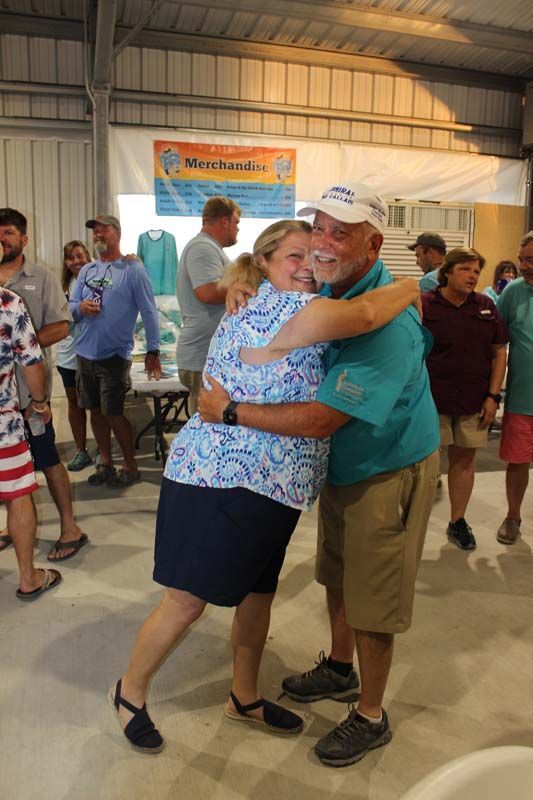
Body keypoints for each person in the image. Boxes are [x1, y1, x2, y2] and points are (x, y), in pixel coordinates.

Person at [108, 217, 420, 755]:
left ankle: (244, 695)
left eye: (312, 255)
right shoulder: (289, 309)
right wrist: (415, 285)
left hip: (272, 487)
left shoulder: (280, 300)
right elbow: (368, 313)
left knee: (258, 596)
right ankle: (129, 692)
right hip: (221, 479)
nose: (308, 265)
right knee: (186, 600)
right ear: (265, 262)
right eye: (294, 256)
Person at [199, 182, 440, 768]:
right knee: (336, 573)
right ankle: (339, 667)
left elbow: (320, 419)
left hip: (386, 469)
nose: (323, 245)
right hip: (342, 466)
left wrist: (229, 411)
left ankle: (371, 715)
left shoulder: (387, 325)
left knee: (373, 598)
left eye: (341, 233)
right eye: (321, 229)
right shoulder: (330, 285)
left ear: (373, 244)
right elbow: (277, 277)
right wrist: (242, 282)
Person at [0, 208, 86, 563]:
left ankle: (70, 528)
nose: (2, 238)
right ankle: (13, 525)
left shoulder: (42, 277)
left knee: (48, 459)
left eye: (8, 232)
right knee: (7, 467)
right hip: (2, 404)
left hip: (31, 394)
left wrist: (18, 343)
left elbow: (62, 326)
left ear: (24, 239)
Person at [422, 247, 508, 550]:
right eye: (465, 269)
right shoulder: (425, 305)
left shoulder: (485, 306)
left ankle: (457, 521)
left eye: (476, 271)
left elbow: (499, 352)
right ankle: (412, 520)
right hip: (431, 401)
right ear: (447, 272)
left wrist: (493, 397)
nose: (472, 276)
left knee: (464, 461)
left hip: (473, 400)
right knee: (425, 464)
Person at [70, 214, 161, 488]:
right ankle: (106, 463)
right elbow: (71, 306)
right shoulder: (87, 270)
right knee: (95, 412)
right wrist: (80, 308)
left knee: (113, 413)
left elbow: (149, 311)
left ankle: (130, 465)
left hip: (114, 355)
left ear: (118, 233)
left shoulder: (132, 269)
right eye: (95, 231)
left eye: (104, 230)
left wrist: (153, 349)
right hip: (84, 353)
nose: (98, 234)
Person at [0, 285, 62, 599]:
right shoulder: (7, 302)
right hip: (3, 427)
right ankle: (28, 578)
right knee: (18, 494)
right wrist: (39, 403)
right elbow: (31, 362)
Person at [176, 196, 241, 413]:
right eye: (236, 223)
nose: (238, 229)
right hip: (201, 355)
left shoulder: (211, 248)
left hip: (208, 354)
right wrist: (245, 287)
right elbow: (207, 292)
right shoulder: (202, 247)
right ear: (224, 221)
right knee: (205, 421)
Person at [495, 231, 533, 544]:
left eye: (530, 260)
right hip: (523, 398)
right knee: (518, 461)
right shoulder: (513, 292)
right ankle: (513, 516)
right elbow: (495, 343)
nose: (523, 266)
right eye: (522, 259)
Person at [56, 240, 94, 471]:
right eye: (70, 257)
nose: (76, 261)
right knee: (75, 404)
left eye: (80, 256)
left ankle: (105, 453)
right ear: (65, 262)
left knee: (98, 407)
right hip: (68, 356)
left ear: (88, 256)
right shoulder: (62, 287)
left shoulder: (99, 278)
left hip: (93, 353)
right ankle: (82, 451)